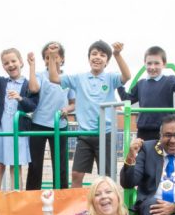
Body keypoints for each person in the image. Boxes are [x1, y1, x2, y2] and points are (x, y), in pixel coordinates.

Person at [47, 40, 131, 188]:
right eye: (94, 54)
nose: (97, 57)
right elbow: (54, 78)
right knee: (76, 174)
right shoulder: (79, 78)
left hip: (106, 133)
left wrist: (117, 54)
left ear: (107, 61)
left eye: (102, 55)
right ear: (89, 58)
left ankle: (106, 201)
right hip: (85, 134)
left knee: (107, 177)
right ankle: (77, 202)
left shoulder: (110, 78)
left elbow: (127, 76)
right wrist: (53, 56)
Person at [0, 45, 38, 191]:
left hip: (18, 131)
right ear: (3, 67)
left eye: (13, 61)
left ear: (21, 62)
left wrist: (20, 98)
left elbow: (32, 105)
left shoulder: (28, 84)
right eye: (6, 63)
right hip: (1, 130)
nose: (10, 65)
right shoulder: (2, 82)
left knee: (15, 167)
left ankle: (16, 199)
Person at [26, 42, 76, 190]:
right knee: (35, 164)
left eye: (55, 56)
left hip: (59, 124)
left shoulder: (67, 79)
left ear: (62, 59)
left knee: (60, 164)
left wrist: (67, 109)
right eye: (48, 57)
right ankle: (32, 195)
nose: (51, 59)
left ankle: (61, 194)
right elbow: (33, 88)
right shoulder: (40, 76)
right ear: (44, 60)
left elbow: (73, 103)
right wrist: (32, 66)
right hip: (39, 123)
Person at [118, 46, 175, 141]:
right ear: (145, 64)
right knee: (143, 150)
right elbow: (127, 99)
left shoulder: (169, 80)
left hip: (164, 130)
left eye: (156, 63)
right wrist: (118, 83)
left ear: (164, 64)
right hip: (143, 130)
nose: (152, 67)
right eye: (149, 63)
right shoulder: (141, 83)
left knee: (162, 150)